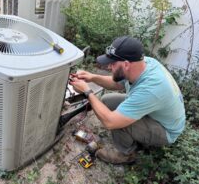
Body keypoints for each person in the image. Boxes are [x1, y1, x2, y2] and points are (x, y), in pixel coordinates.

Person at [69, 36, 186, 164]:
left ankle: (126, 155)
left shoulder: (150, 89)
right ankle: (134, 137)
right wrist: (92, 77)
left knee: (120, 123)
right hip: (154, 111)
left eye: (112, 63)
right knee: (107, 100)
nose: (109, 67)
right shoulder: (142, 63)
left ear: (126, 64)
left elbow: (110, 122)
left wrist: (87, 92)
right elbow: (117, 84)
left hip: (165, 129)